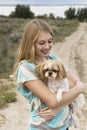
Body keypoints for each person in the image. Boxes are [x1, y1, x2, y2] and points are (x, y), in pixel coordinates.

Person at [14, 19, 85, 130]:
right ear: (30, 44)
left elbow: (76, 83)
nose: (47, 47)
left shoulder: (54, 60)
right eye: (41, 43)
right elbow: (52, 100)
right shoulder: (26, 68)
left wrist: (58, 108)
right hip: (42, 126)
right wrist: (78, 89)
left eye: (50, 41)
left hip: (63, 124)